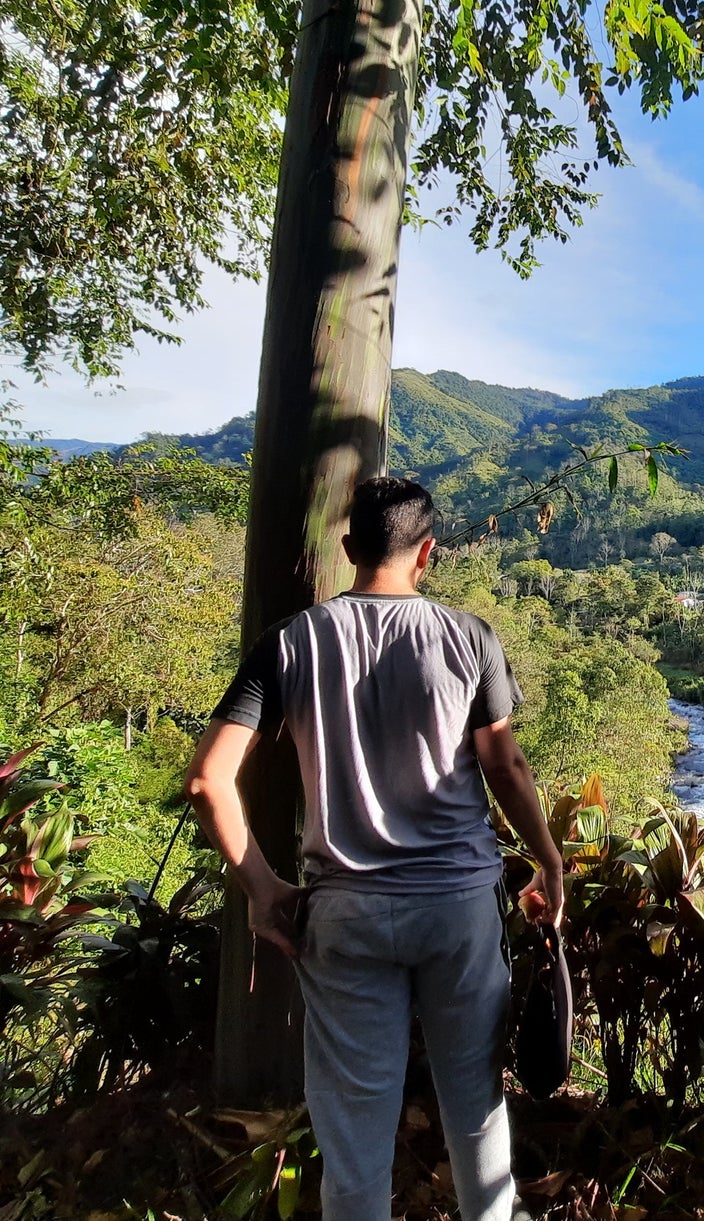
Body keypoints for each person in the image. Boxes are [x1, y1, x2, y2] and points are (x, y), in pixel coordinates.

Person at [185, 476, 563, 1221]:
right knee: (476, 1108)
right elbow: (506, 767)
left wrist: (263, 889)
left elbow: (206, 781)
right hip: (458, 908)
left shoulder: (291, 641)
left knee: (354, 1136)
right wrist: (548, 859)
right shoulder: (469, 636)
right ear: (427, 552)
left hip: (345, 911)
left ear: (349, 547)